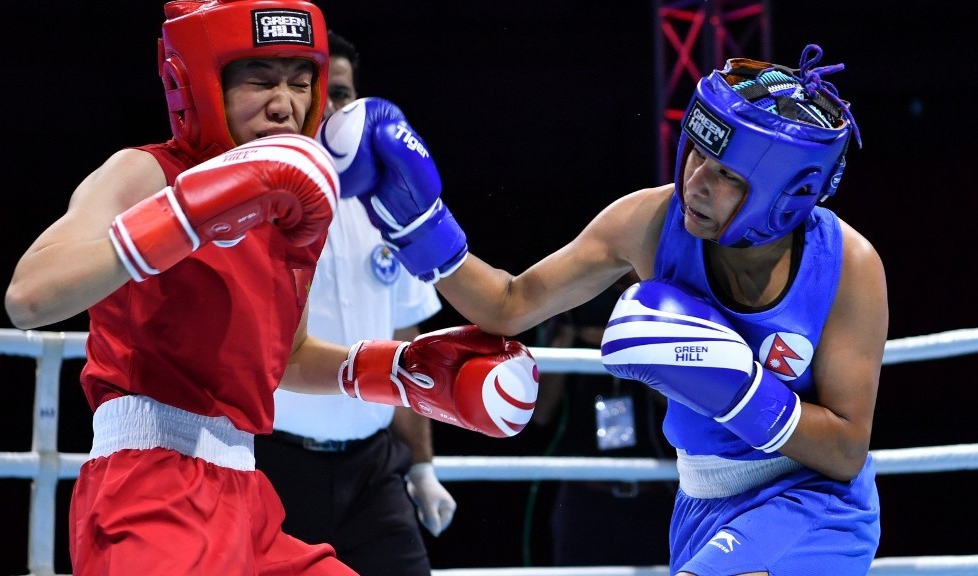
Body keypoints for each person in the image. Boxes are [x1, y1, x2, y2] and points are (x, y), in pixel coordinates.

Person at [2, 0, 538, 576]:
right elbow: (28, 297)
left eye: (299, 81)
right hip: (149, 490)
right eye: (259, 78)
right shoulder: (145, 173)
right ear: (203, 84)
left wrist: (398, 371)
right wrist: (186, 216)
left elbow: (285, 357)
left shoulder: (292, 209)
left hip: (246, 493)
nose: (284, 103)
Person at [320, 43, 887, 575]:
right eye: (696, 153)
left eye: (725, 176)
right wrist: (419, 225)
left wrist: (739, 390)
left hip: (814, 501)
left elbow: (843, 450)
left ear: (786, 197)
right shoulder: (647, 222)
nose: (695, 183)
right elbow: (509, 304)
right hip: (701, 501)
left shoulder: (848, 268)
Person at [255, 30, 456, 576]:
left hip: (374, 469)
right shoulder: (256, 200)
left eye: (344, 94)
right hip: (271, 464)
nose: (332, 109)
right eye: (321, 93)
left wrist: (421, 467)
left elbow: (407, 344)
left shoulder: (389, 204)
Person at [534, 274, 676, 567]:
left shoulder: (662, 306)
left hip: (656, 492)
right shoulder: (568, 301)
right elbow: (542, 411)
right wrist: (567, 334)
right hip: (584, 495)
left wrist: (628, 346)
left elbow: (681, 401)